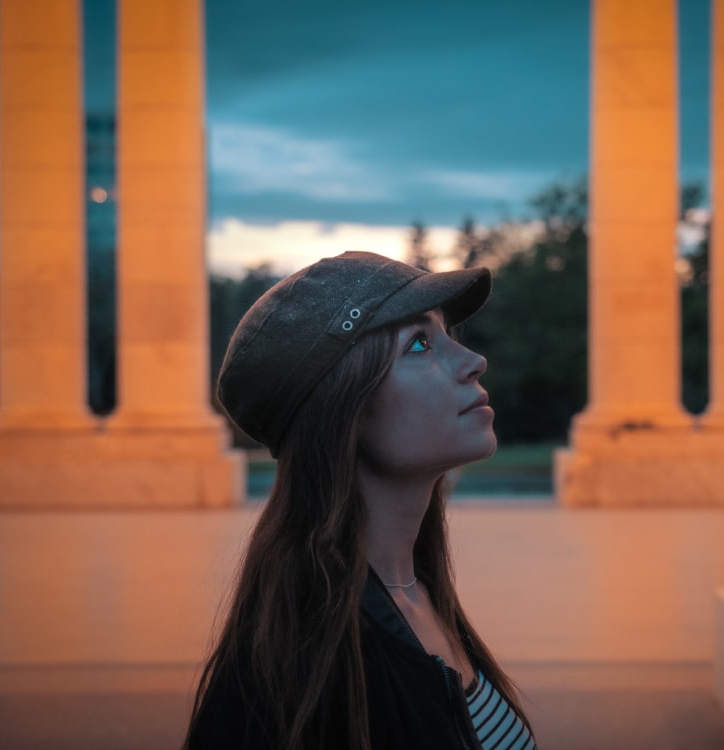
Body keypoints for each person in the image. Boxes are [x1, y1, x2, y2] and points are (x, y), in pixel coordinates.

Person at [185, 251, 537, 750]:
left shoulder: (415, 594)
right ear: (343, 409)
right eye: (419, 344)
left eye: (447, 336)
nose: (474, 362)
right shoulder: (304, 665)